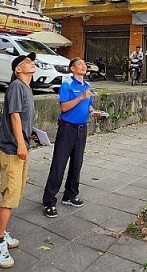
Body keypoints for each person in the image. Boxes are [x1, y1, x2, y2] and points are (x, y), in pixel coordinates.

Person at [0, 52, 37, 269]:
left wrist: (29, 135)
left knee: (15, 194)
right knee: (9, 197)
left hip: (19, 146)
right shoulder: (17, 86)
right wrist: (19, 143)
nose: (31, 63)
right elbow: (15, 115)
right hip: (12, 150)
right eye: (26, 61)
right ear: (18, 69)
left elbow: (23, 119)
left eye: (31, 61)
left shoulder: (26, 88)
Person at [42, 57, 103, 218]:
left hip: (81, 130)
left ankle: (70, 195)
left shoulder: (87, 86)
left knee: (77, 164)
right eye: (80, 64)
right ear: (72, 69)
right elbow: (64, 107)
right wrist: (80, 97)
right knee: (59, 164)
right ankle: (49, 201)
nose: (84, 66)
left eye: (85, 64)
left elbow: (88, 104)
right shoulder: (67, 85)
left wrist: (93, 112)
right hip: (67, 129)